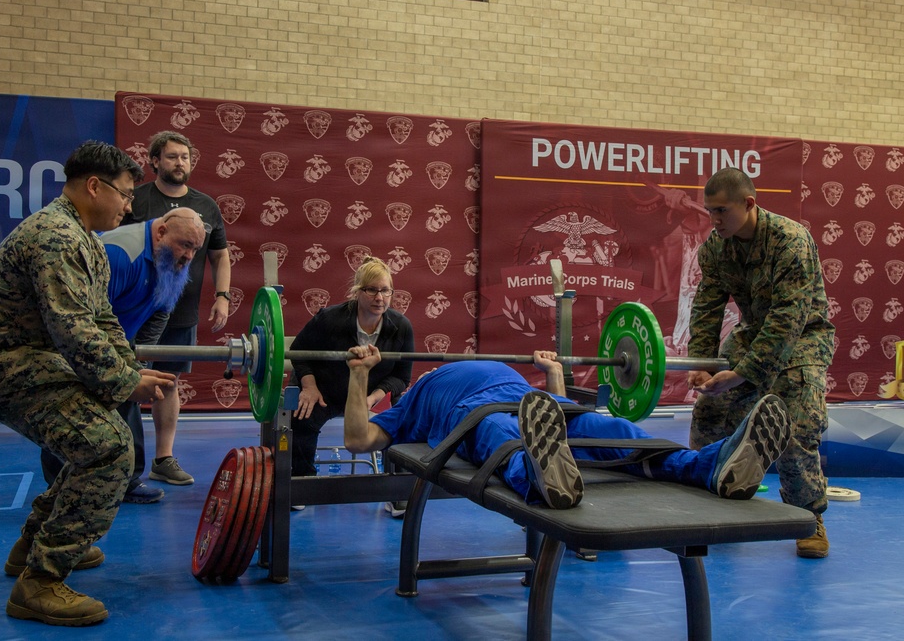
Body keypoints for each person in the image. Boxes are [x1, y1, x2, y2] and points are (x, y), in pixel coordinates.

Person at [0, 141, 177, 626]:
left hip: (32, 358)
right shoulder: (57, 237)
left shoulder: (87, 240)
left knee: (94, 441)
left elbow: (103, 319)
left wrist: (130, 369)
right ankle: (39, 582)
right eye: (125, 194)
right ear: (94, 186)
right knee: (109, 447)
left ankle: (34, 545)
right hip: (2, 364)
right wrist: (126, 382)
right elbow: (73, 330)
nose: (128, 206)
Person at [342, 347, 792, 509]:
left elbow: (547, 421)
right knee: (503, 437)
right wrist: (359, 376)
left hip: (539, 404)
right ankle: (543, 479)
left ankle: (710, 468)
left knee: (613, 430)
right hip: (475, 415)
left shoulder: (496, 371)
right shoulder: (411, 402)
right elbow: (358, 439)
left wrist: (553, 372)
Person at [685, 167, 836, 559]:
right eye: (709, 211)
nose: (714, 220)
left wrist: (742, 374)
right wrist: (701, 363)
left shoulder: (790, 241)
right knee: (709, 414)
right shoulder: (716, 248)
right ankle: (708, 505)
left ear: (748, 204)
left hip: (803, 337)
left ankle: (808, 518)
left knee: (795, 427)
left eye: (721, 211)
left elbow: (788, 320)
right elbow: (706, 307)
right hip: (754, 333)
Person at [39, 208, 207, 502]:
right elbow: (86, 315)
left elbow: (161, 311)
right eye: (185, 245)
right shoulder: (120, 254)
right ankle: (59, 488)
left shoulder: (172, 260)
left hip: (120, 341)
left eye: (195, 249)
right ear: (161, 232)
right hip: (79, 340)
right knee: (70, 410)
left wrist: (137, 363)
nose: (189, 256)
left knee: (129, 401)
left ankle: (128, 482)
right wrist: (106, 363)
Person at [121, 131, 231, 486]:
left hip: (181, 312)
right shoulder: (135, 200)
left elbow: (220, 255)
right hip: (135, 309)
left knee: (168, 383)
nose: (180, 163)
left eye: (185, 157)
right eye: (172, 156)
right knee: (123, 381)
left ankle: (163, 459)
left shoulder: (206, 205)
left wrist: (223, 296)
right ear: (154, 161)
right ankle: (121, 464)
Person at [289, 257, 414, 493]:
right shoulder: (329, 319)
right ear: (357, 291)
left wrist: (372, 398)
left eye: (385, 290)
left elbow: (402, 377)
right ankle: (302, 483)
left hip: (367, 395)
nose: (380, 298)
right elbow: (298, 352)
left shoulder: (402, 326)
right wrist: (309, 386)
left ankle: (396, 488)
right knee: (302, 416)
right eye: (372, 290)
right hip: (325, 391)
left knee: (402, 418)